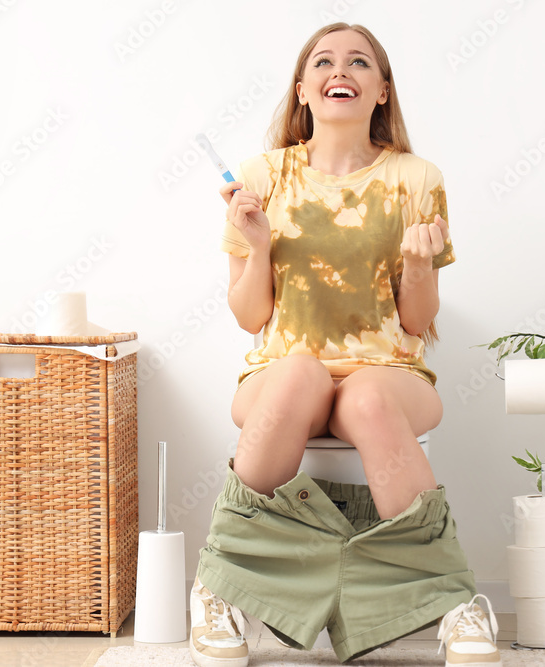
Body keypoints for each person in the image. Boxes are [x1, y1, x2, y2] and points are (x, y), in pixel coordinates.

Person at [189, 23, 501, 667]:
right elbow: (251, 318)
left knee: (364, 404)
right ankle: (217, 588)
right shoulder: (260, 177)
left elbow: (416, 324)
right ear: (302, 89)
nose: (342, 70)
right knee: (301, 373)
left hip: (387, 372)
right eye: (324, 62)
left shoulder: (418, 178)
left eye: (361, 62)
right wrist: (257, 245)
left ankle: (455, 602)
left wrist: (418, 267)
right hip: (282, 370)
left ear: (382, 91)